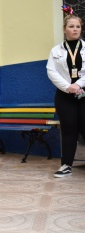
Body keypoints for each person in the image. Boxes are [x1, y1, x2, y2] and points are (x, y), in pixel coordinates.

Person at [47, 7, 85, 178]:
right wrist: (68, 87)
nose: (75, 29)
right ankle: (66, 165)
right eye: (71, 26)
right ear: (64, 29)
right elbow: (51, 71)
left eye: (77, 26)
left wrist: (77, 85)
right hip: (64, 96)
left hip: (84, 94)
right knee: (68, 130)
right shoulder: (56, 50)